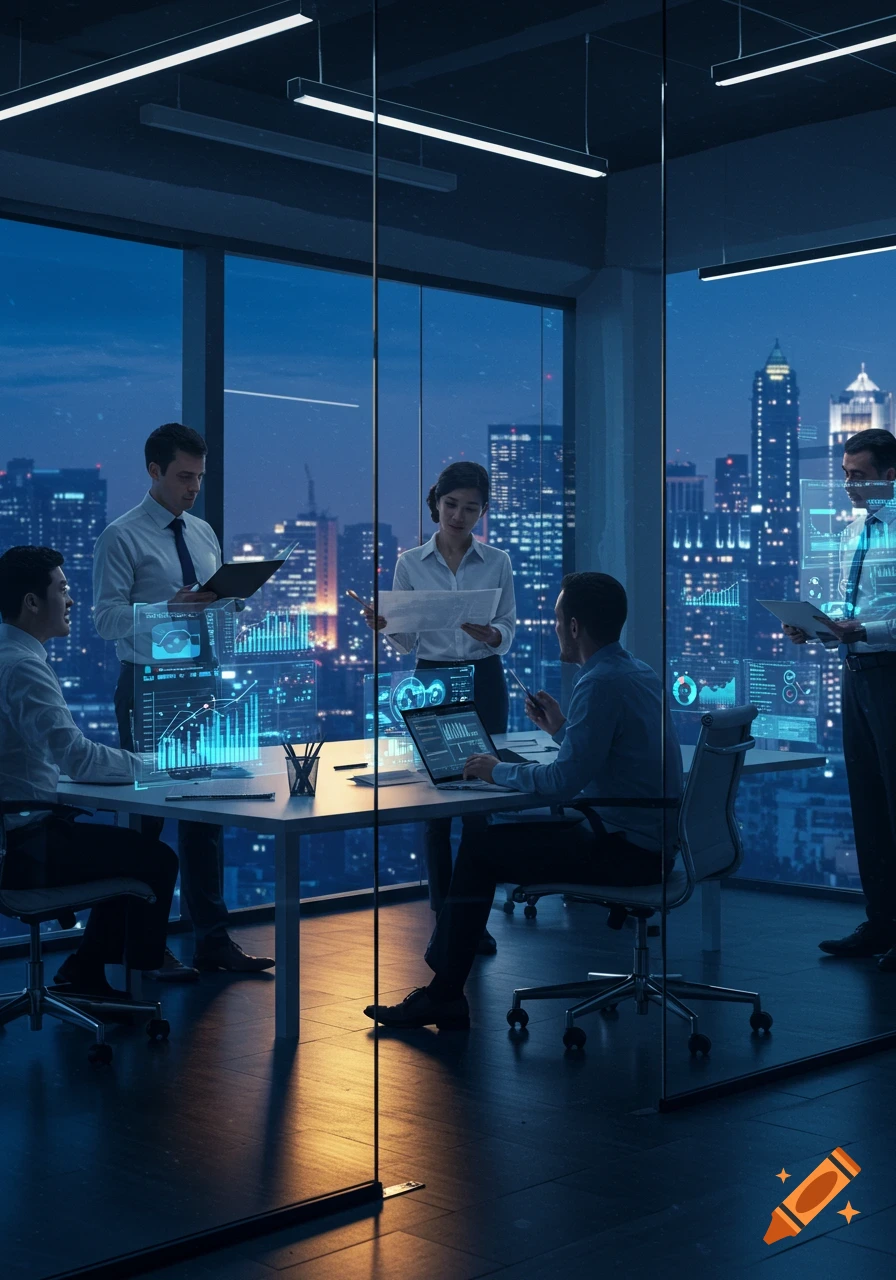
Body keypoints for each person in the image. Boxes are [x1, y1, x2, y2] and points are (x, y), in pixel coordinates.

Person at [364, 572, 683, 1029]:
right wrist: (559, 729)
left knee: (480, 851)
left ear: (574, 627)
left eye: (557, 620)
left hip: (625, 849)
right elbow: (609, 757)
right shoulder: (636, 671)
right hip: (648, 840)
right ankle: (444, 985)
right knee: (492, 843)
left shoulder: (599, 683)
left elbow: (562, 783)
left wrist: (496, 770)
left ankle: (444, 993)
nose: (554, 629)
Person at [93, 423, 273, 980]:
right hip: (146, 685)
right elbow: (105, 620)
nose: (193, 487)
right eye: (183, 477)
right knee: (146, 824)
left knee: (206, 818)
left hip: (200, 682)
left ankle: (212, 941)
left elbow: (212, 610)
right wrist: (168, 610)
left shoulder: (202, 533)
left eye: (199, 477)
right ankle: (140, 947)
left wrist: (231, 605)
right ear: (154, 471)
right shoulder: (120, 537)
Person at [0, 546, 178, 998]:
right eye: (62, 589)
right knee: (154, 859)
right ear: (31, 603)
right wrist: (158, 766)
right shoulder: (22, 667)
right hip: (26, 850)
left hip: (12, 836)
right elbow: (77, 758)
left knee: (122, 850)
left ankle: (87, 968)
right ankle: (141, 976)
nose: (71, 600)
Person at [363, 461, 516, 956]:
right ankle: (443, 918)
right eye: (452, 505)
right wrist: (384, 624)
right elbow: (406, 639)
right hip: (432, 679)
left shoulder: (498, 561)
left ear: (482, 512)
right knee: (436, 811)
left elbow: (508, 627)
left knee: (480, 809)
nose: (459, 515)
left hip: (484, 681)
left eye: (471, 507)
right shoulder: (411, 562)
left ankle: (475, 920)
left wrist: (494, 634)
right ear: (437, 504)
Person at [785, 428, 896, 973]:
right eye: (846, 474)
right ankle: (881, 923)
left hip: (891, 670)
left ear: (890, 477)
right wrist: (822, 627)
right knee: (869, 800)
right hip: (859, 671)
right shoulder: (858, 531)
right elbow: (856, 604)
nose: (847, 485)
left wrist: (861, 631)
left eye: (859, 476)